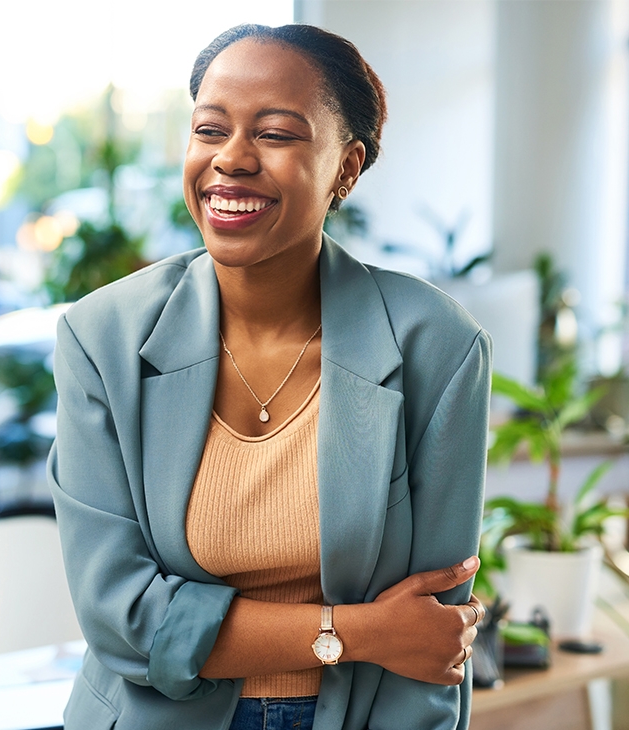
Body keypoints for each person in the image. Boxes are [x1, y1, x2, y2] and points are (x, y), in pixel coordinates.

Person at [48, 23, 492, 730]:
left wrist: (391, 637)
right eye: (209, 129)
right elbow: (122, 615)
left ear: (346, 167)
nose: (230, 159)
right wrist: (358, 631)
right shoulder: (103, 337)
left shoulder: (435, 345)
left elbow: (430, 637)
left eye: (276, 134)